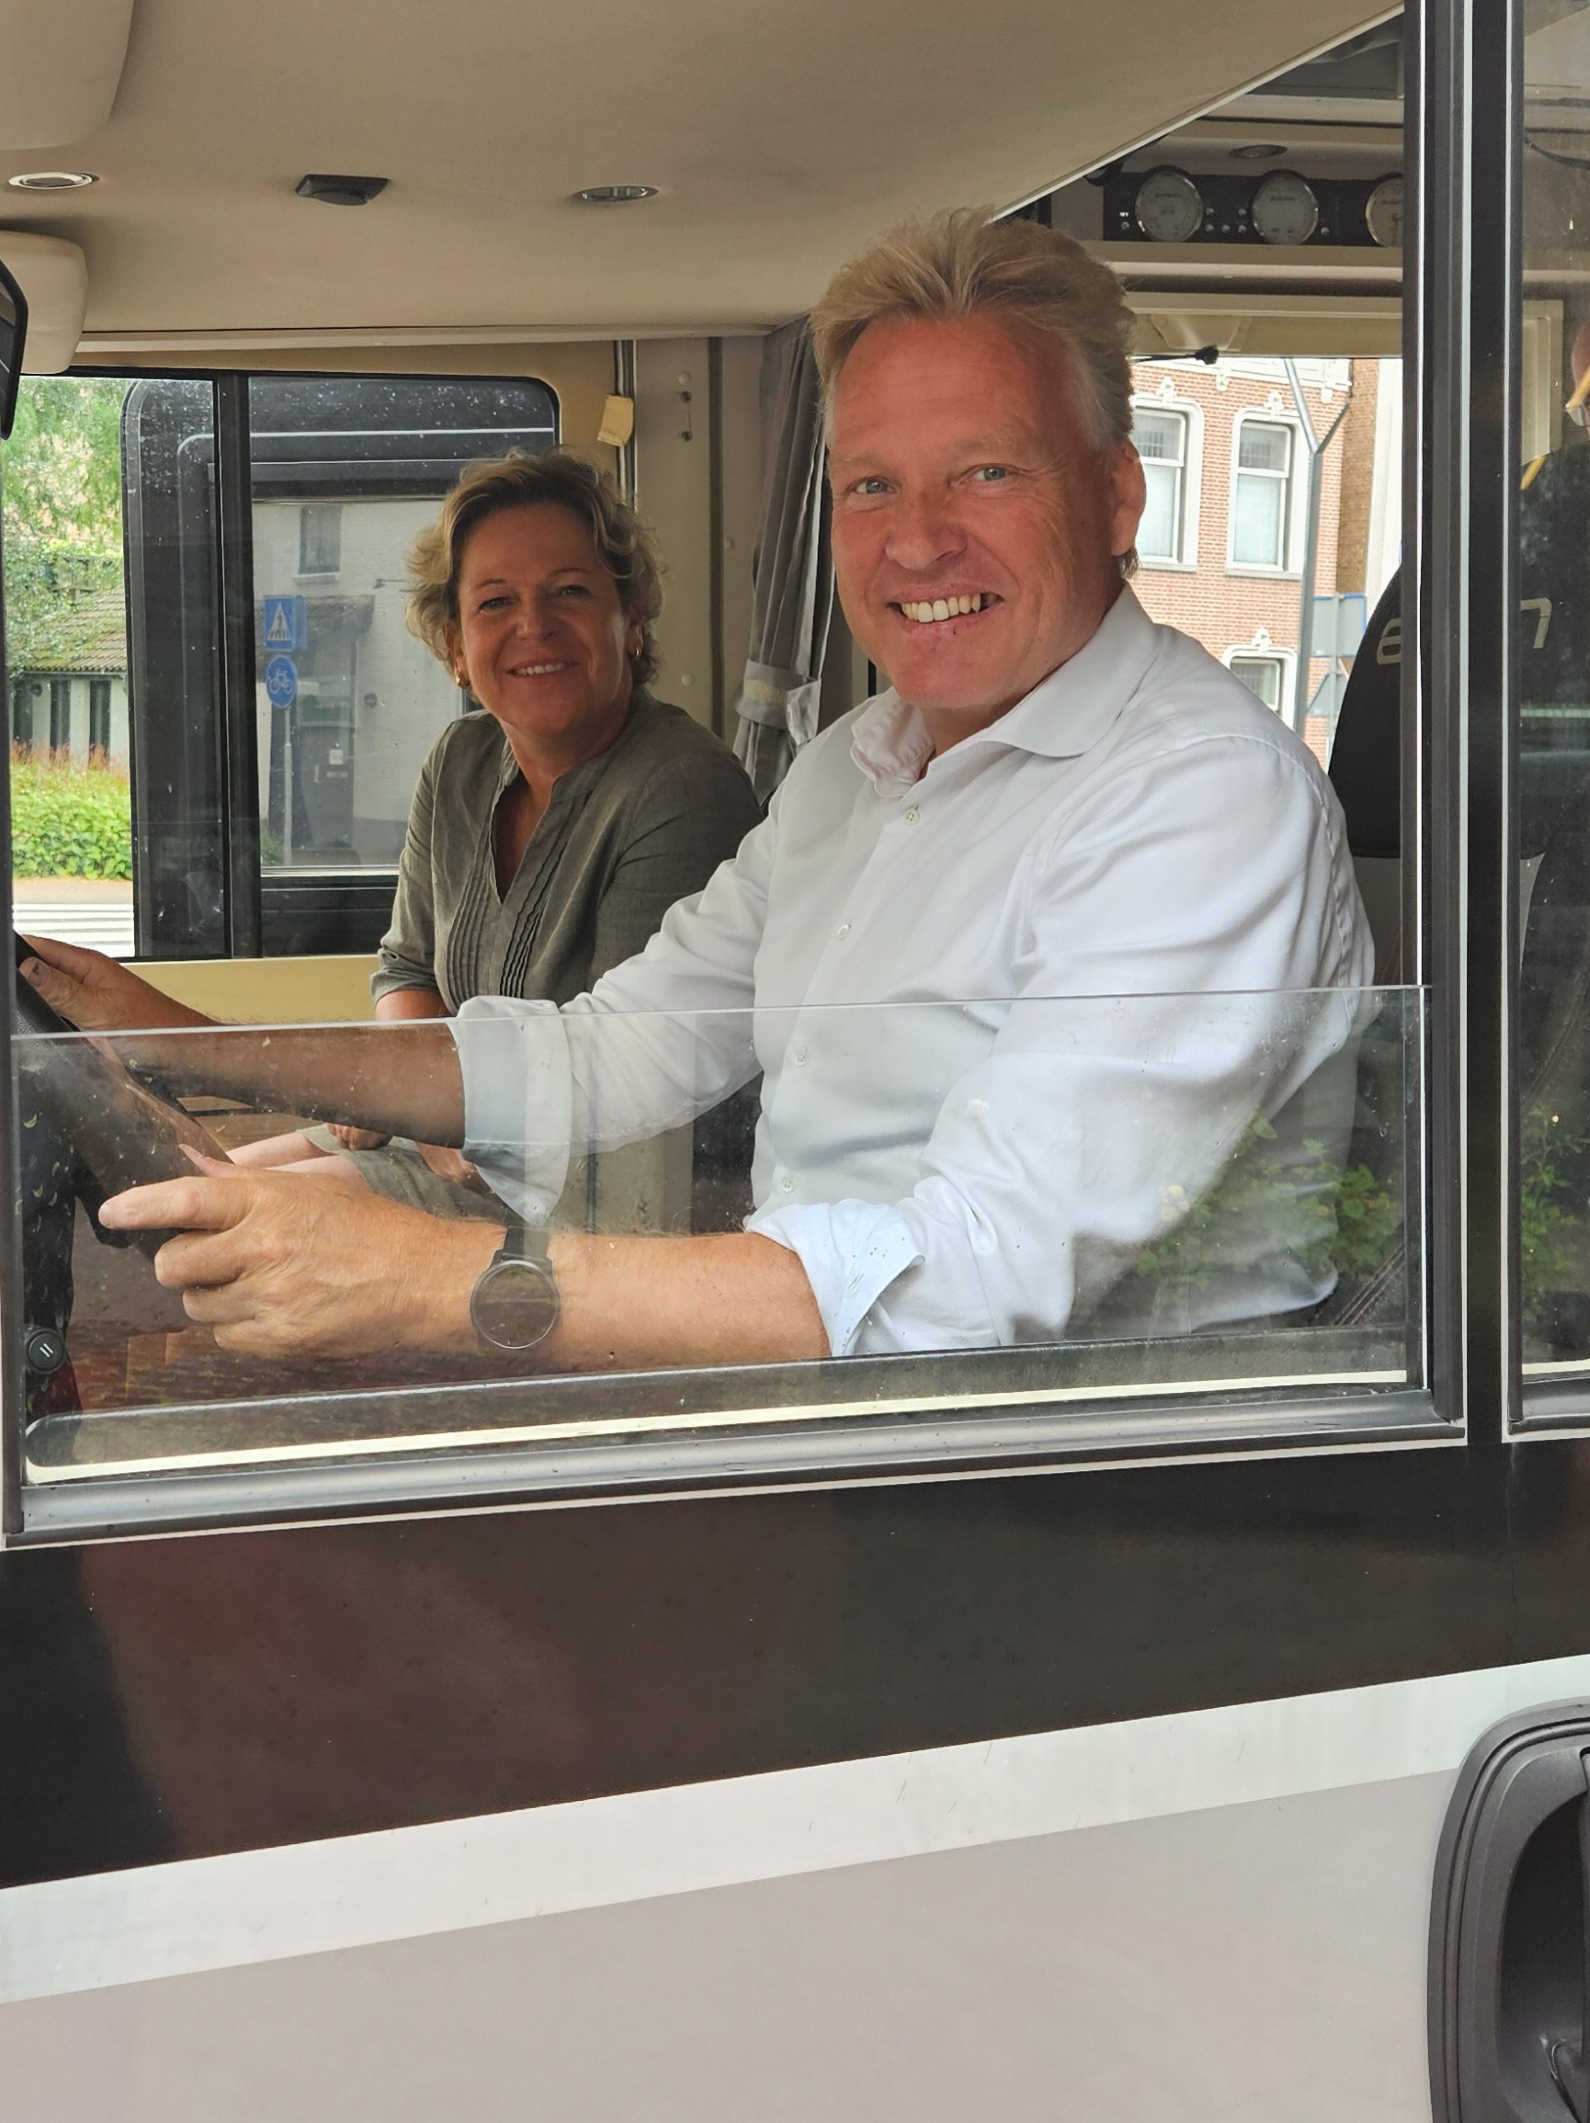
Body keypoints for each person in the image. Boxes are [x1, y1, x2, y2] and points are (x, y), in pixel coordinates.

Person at [28, 209, 1372, 1372]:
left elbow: (974, 1277)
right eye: (871, 484)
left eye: (987, 470)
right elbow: (611, 1048)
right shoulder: (858, 765)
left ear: (1119, 495)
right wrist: (174, 1044)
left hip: (1115, 1494)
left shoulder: (1201, 799)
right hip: (846, 1427)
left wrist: (432, 1279)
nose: (917, 538)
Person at [166, 448, 760, 1214]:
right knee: (177, 1185)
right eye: (494, 603)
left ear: (631, 624)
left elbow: (627, 1083)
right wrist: (414, 1084)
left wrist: (433, 1101)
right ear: (454, 646)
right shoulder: (460, 760)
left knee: (213, 1221)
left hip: (583, 1194)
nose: (534, 625)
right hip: (442, 1129)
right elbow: (406, 967)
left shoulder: (682, 785)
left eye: (570, 591)